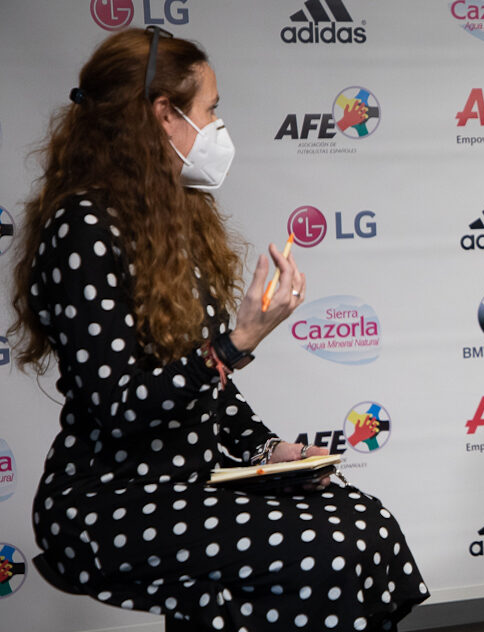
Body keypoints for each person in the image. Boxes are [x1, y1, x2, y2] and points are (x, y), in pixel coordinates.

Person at [8, 27, 427, 630]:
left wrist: (270, 452)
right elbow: (123, 408)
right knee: (328, 552)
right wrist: (235, 342)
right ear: (163, 116)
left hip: (192, 479)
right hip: (110, 500)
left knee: (364, 523)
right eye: (210, 110)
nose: (217, 127)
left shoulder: (171, 218)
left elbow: (210, 390)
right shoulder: (82, 229)